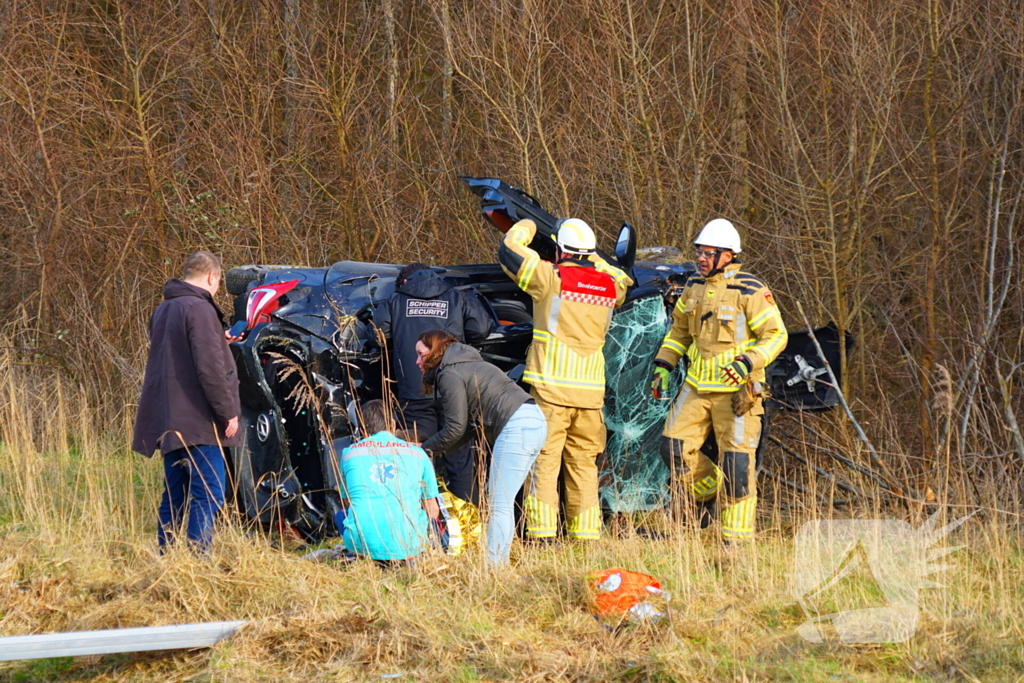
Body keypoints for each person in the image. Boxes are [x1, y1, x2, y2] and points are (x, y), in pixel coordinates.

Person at [650, 219, 787, 544]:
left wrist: (747, 362)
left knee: (738, 467)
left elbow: (776, 335)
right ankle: (706, 491)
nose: (700, 258)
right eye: (699, 251)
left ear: (728, 255)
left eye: (708, 253)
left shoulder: (751, 289)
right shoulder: (694, 287)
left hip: (739, 393)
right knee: (672, 448)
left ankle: (734, 541)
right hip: (696, 387)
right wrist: (665, 364)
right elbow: (679, 332)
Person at [499, 217, 632, 541]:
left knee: (544, 462)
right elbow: (623, 276)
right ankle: (584, 538)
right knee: (584, 465)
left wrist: (527, 225)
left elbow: (509, 251)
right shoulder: (608, 285)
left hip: (552, 388)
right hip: (589, 396)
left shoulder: (550, 277)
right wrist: (595, 256)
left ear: (560, 249)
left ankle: (543, 535)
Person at [132, 251, 240, 551]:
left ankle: (167, 556)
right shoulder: (200, 309)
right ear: (211, 276)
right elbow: (210, 370)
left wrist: (219, 337)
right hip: (198, 421)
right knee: (211, 492)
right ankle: (197, 559)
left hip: (168, 418)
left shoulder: (165, 309)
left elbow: (180, 355)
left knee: (175, 494)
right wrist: (228, 412)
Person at [416, 330, 547, 565]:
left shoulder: (450, 373)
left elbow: (455, 427)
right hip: (534, 421)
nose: (417, 361)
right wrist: (435, 449)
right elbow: (470, 427)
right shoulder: (466, 363)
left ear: (434, 351)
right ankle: (498, 561)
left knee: (499, 503)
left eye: (420, 354)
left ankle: (495, 567)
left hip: (516, 425)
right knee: (502, 500)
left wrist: (422, 449)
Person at [373, 263, 493, 504]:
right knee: (459, 457)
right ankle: (467, 519)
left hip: (414, 391)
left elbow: (377, 334)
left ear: (404, 282)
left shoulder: (394, 302)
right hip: (455, 387)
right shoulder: (459, 297)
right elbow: (481, 329)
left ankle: (420, 517)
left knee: (416, 454)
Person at [337, 399, 440, 563]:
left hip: (363, 544)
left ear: (363, 431)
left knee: (340, 515)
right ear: (393, 425)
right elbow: (432, 510)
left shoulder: (348, 454)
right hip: (410, 544)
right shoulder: (418, 453)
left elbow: (346, 502)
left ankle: (358, 554)